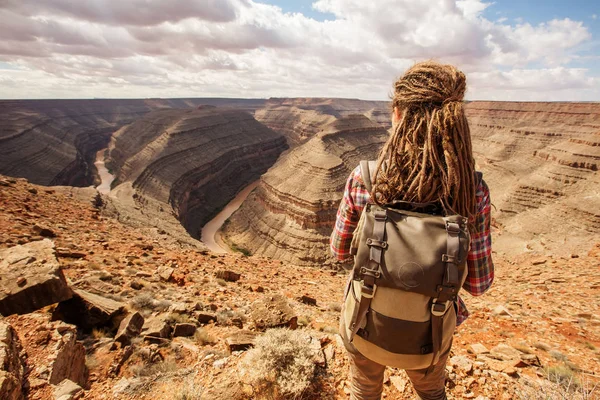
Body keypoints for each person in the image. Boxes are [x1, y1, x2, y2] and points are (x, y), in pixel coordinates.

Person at [330, 61, 494, 400]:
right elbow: (479, 284)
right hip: (428, 338)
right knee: (431, 393)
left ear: (397, 112)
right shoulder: (470, 190)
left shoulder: (367, 179)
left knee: (364, 391)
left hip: (365, 323)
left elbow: (339, 251)